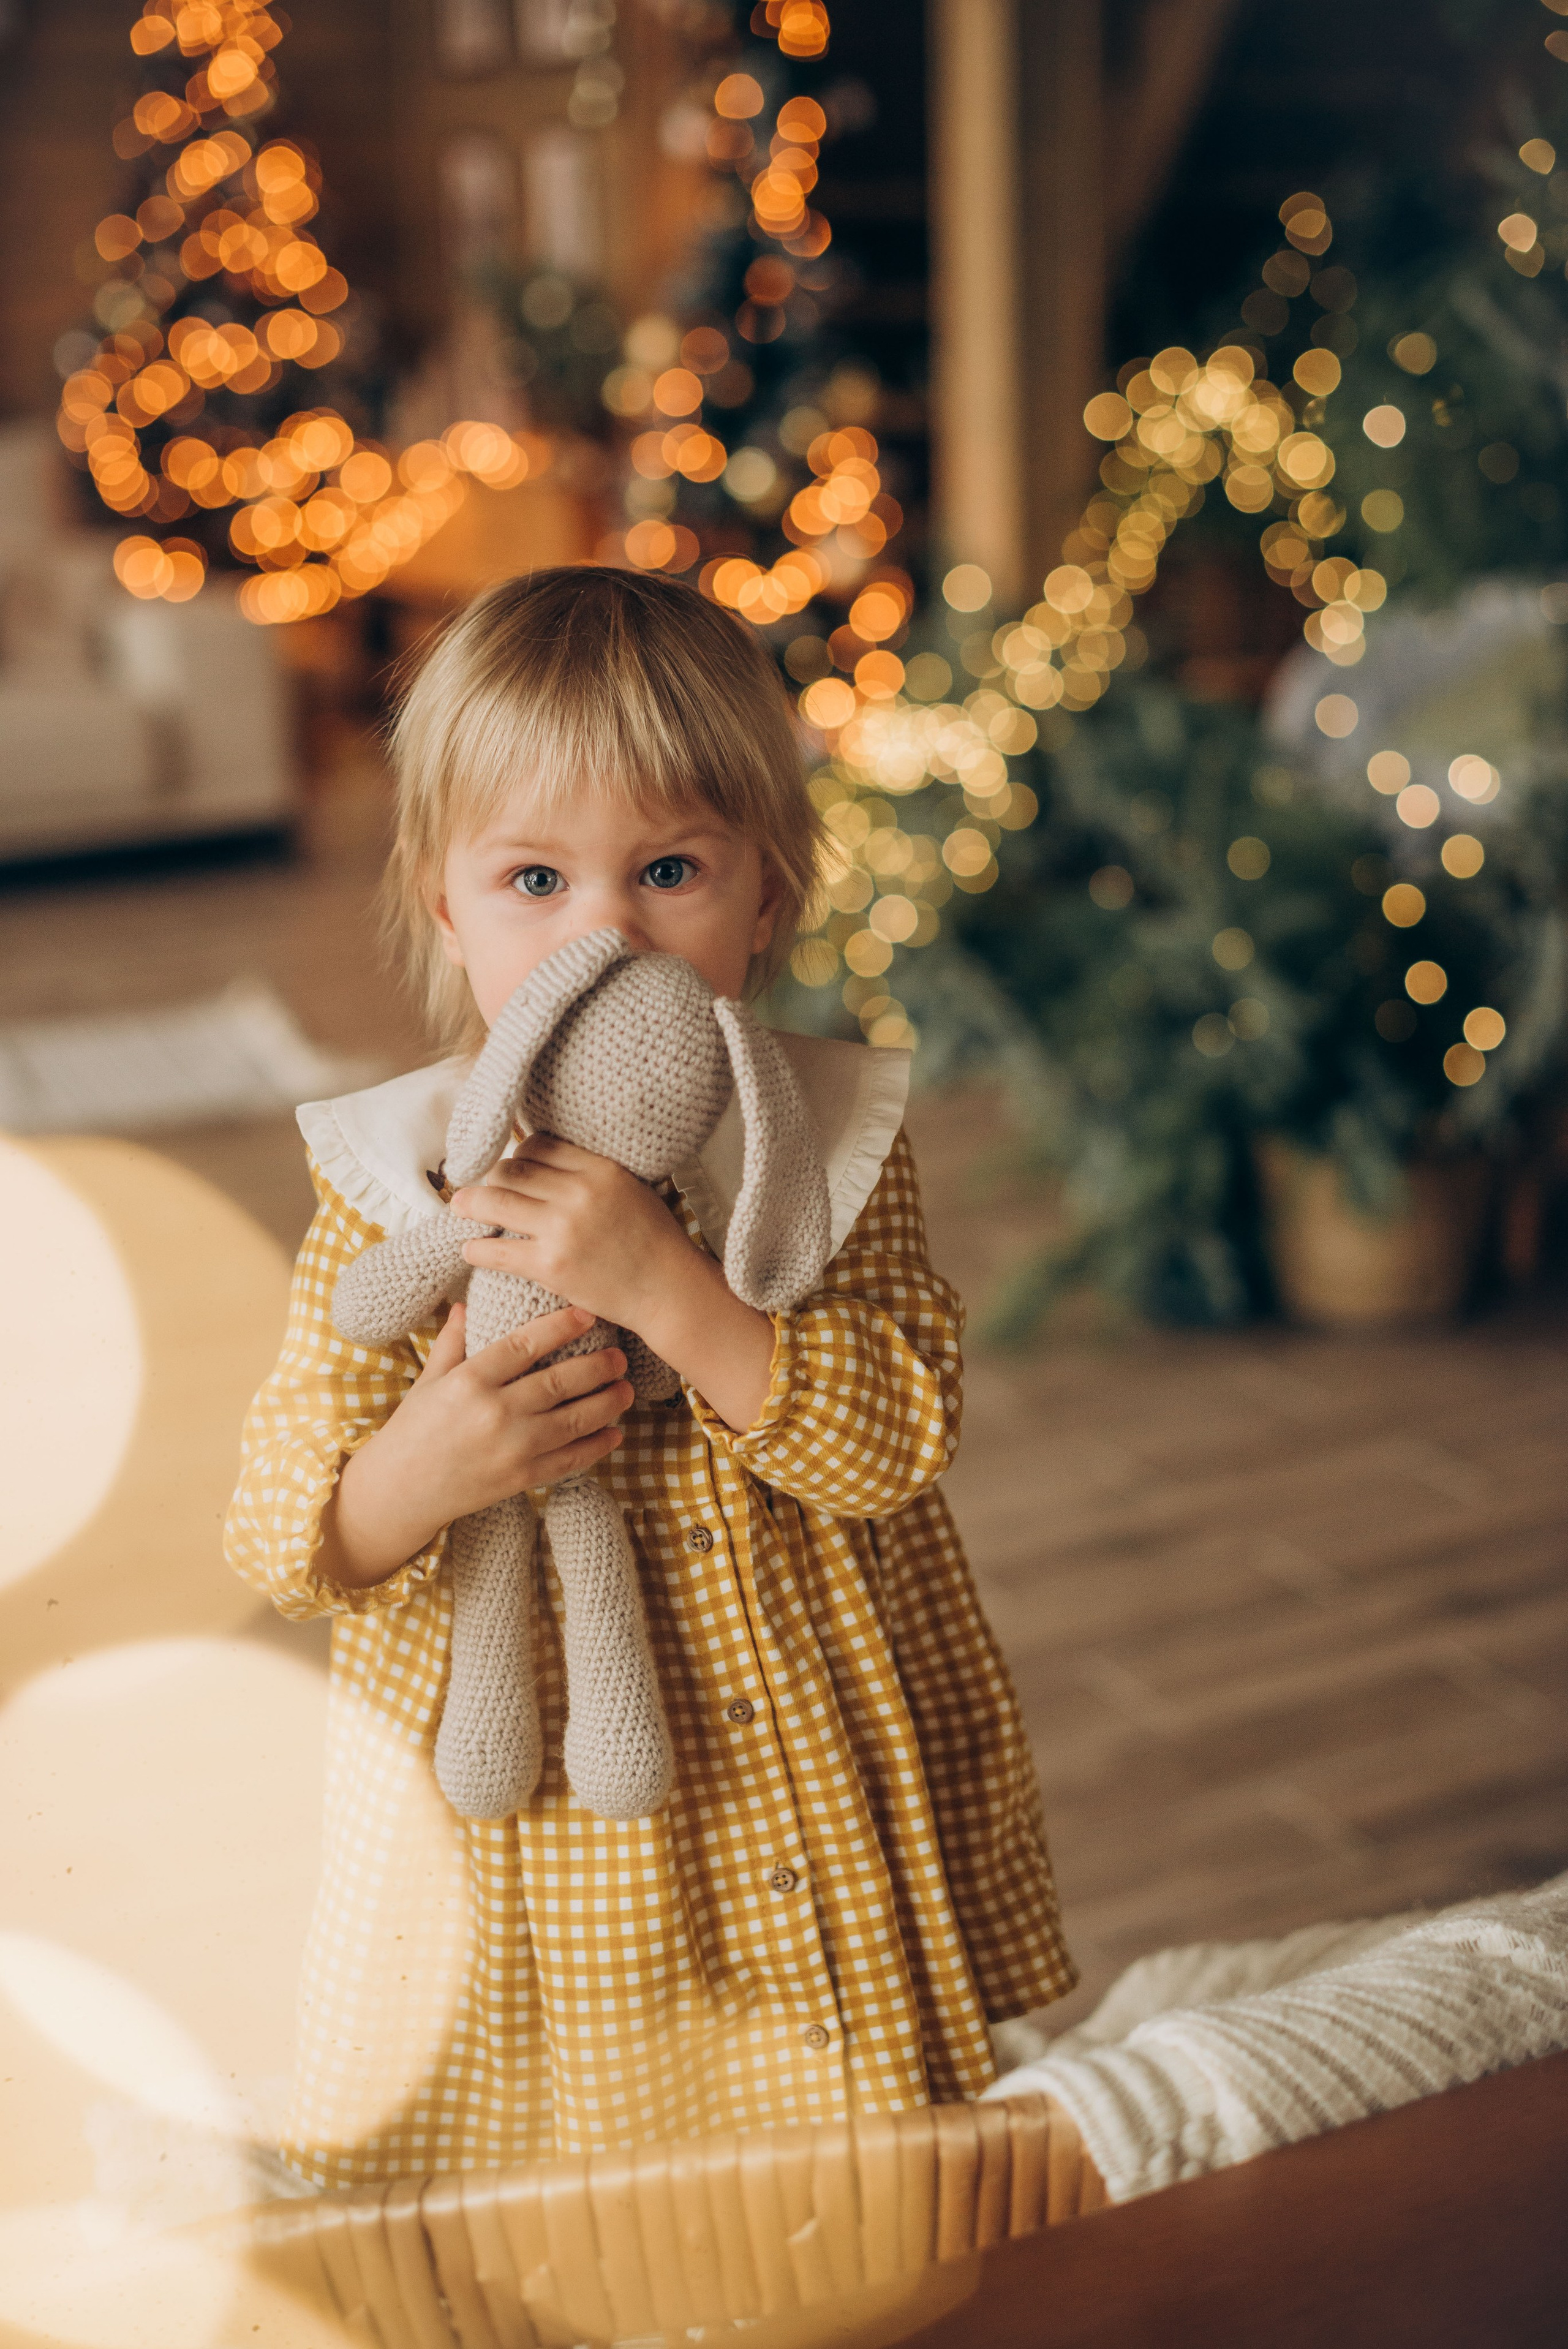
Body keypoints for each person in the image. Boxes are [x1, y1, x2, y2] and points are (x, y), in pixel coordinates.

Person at [225, 566, 1074, 2190]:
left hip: (783, 1744)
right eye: (535, 875)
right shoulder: (391, 1180)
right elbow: (279, 1524)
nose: (602, 934)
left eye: (669, 868)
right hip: (524, 1789)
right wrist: (427, 1459)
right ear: (444, 899)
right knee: (571, 2171)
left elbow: (899, 1433)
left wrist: (675, 1295)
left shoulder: (822, 1146)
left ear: (767, 894)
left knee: (833, 2156)